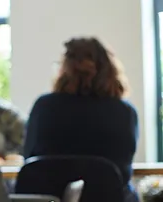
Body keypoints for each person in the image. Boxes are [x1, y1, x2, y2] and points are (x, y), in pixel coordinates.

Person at [24, 37, 138, 201]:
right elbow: (124, 172)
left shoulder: (43, 107)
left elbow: (29, 158)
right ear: (110, 70)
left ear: (64, 69)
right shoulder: (125, 112)